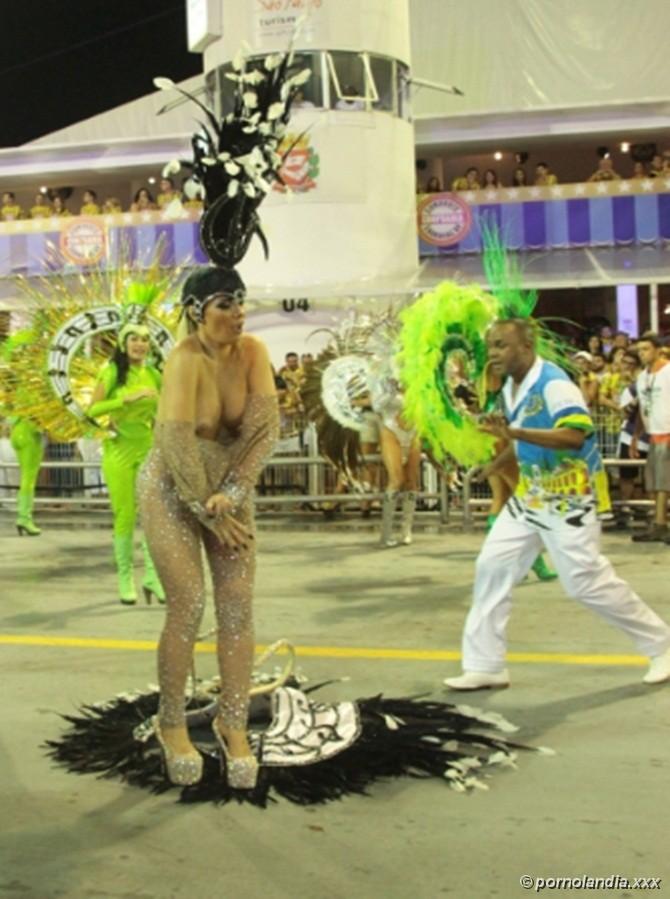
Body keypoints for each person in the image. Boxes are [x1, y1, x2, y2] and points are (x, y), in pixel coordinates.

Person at [443, 319, 670, 691]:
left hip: (570, 499)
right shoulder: (512, 388)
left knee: (585, 583)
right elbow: (523, 440)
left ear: (527, 346)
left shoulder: (554, 384)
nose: (493, 353)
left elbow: (573, 435)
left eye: (501, 345)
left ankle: (662, 644)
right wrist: (496, 464)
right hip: (530, 498)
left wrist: (512, 432)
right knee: (492, 568)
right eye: (491, 346)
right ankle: (485, 665)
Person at [137, 267, 279, 787]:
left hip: (226, 492)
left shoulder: (254, 353)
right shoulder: (183, 359)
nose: (238, 312)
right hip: (171, 489)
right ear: (197, 310)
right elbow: (175, 443)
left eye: (241, 300)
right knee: (189, 602)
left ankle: (232, 722)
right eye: (225, 303)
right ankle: (171, 722)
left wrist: (233, 495)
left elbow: (264, 432)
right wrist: (205, 509)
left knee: (238, 604)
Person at [88, 322, 165, 604]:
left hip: (147, 448)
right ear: (123, 343)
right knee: (125, 515)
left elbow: (163, 410)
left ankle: (152, 577)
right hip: (118, 450)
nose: (140, 344)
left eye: (145, 339)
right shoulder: (111, 372)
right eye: (134, 338)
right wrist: (125, 399)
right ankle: (125, 577)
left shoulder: (154, 374)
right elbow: (92, 409)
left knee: (153, 515)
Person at [630, 333, 670, 542]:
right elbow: (641, 408)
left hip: (667, 432)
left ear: (657, 350)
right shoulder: (642, 377)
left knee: (663, 482)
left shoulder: (668, 371)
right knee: (654, 483)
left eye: (645, 349)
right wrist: (636, 436)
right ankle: (659, 523)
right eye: (639, 350)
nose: (641, 354)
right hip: (653, 433)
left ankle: (660, 524)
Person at [378, 388, 421, 547]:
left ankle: (406, 530)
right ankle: (386, 533)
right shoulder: (386, 380)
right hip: (391, 430)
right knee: (396, 480)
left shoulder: (422, 382)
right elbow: (376, 404)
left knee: (411, 481)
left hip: (414, 431)